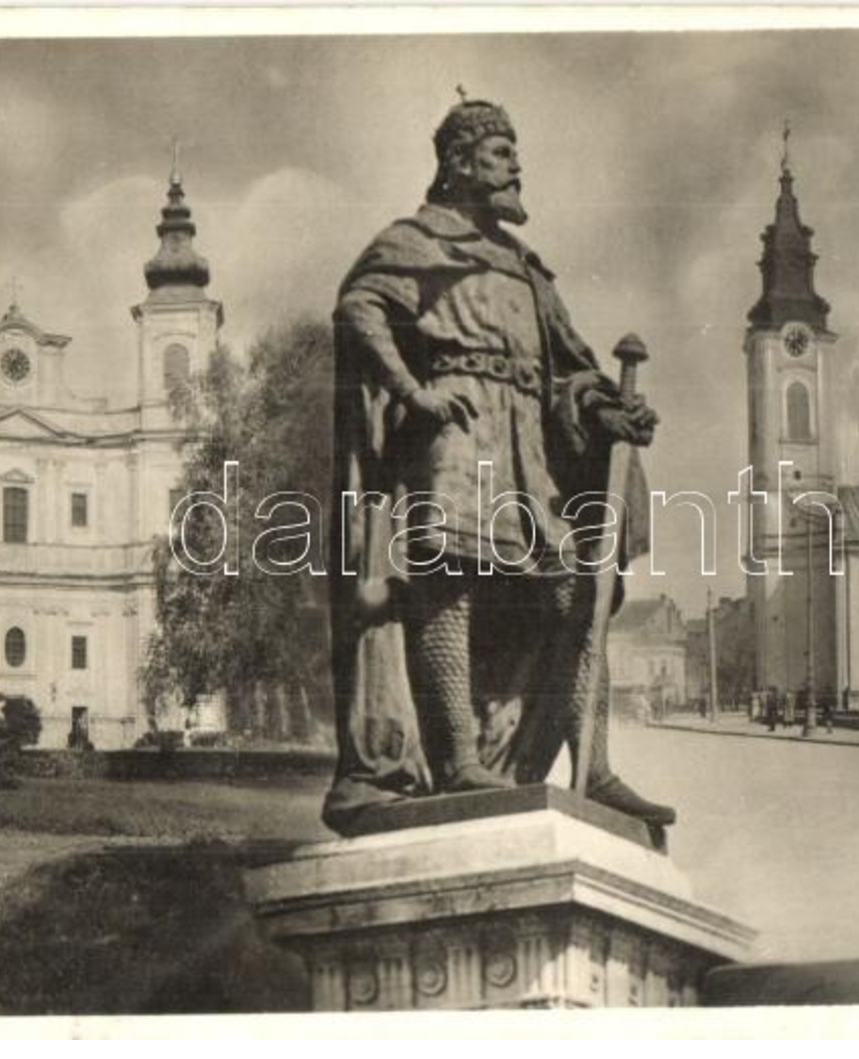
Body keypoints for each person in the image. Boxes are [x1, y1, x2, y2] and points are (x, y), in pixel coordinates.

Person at [322, 96, 671, 834]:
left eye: (515, 150)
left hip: (526, 449)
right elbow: (359, 309)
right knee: (448, 583)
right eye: (500, 151)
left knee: (576, 592)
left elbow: (563, 373)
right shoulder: (415, 240)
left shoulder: (524, 270)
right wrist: (412, 391)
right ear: (458, 162)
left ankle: (593, 764)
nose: (515, 164)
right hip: (457, 436)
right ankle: (457, 762)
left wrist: (605, 409)